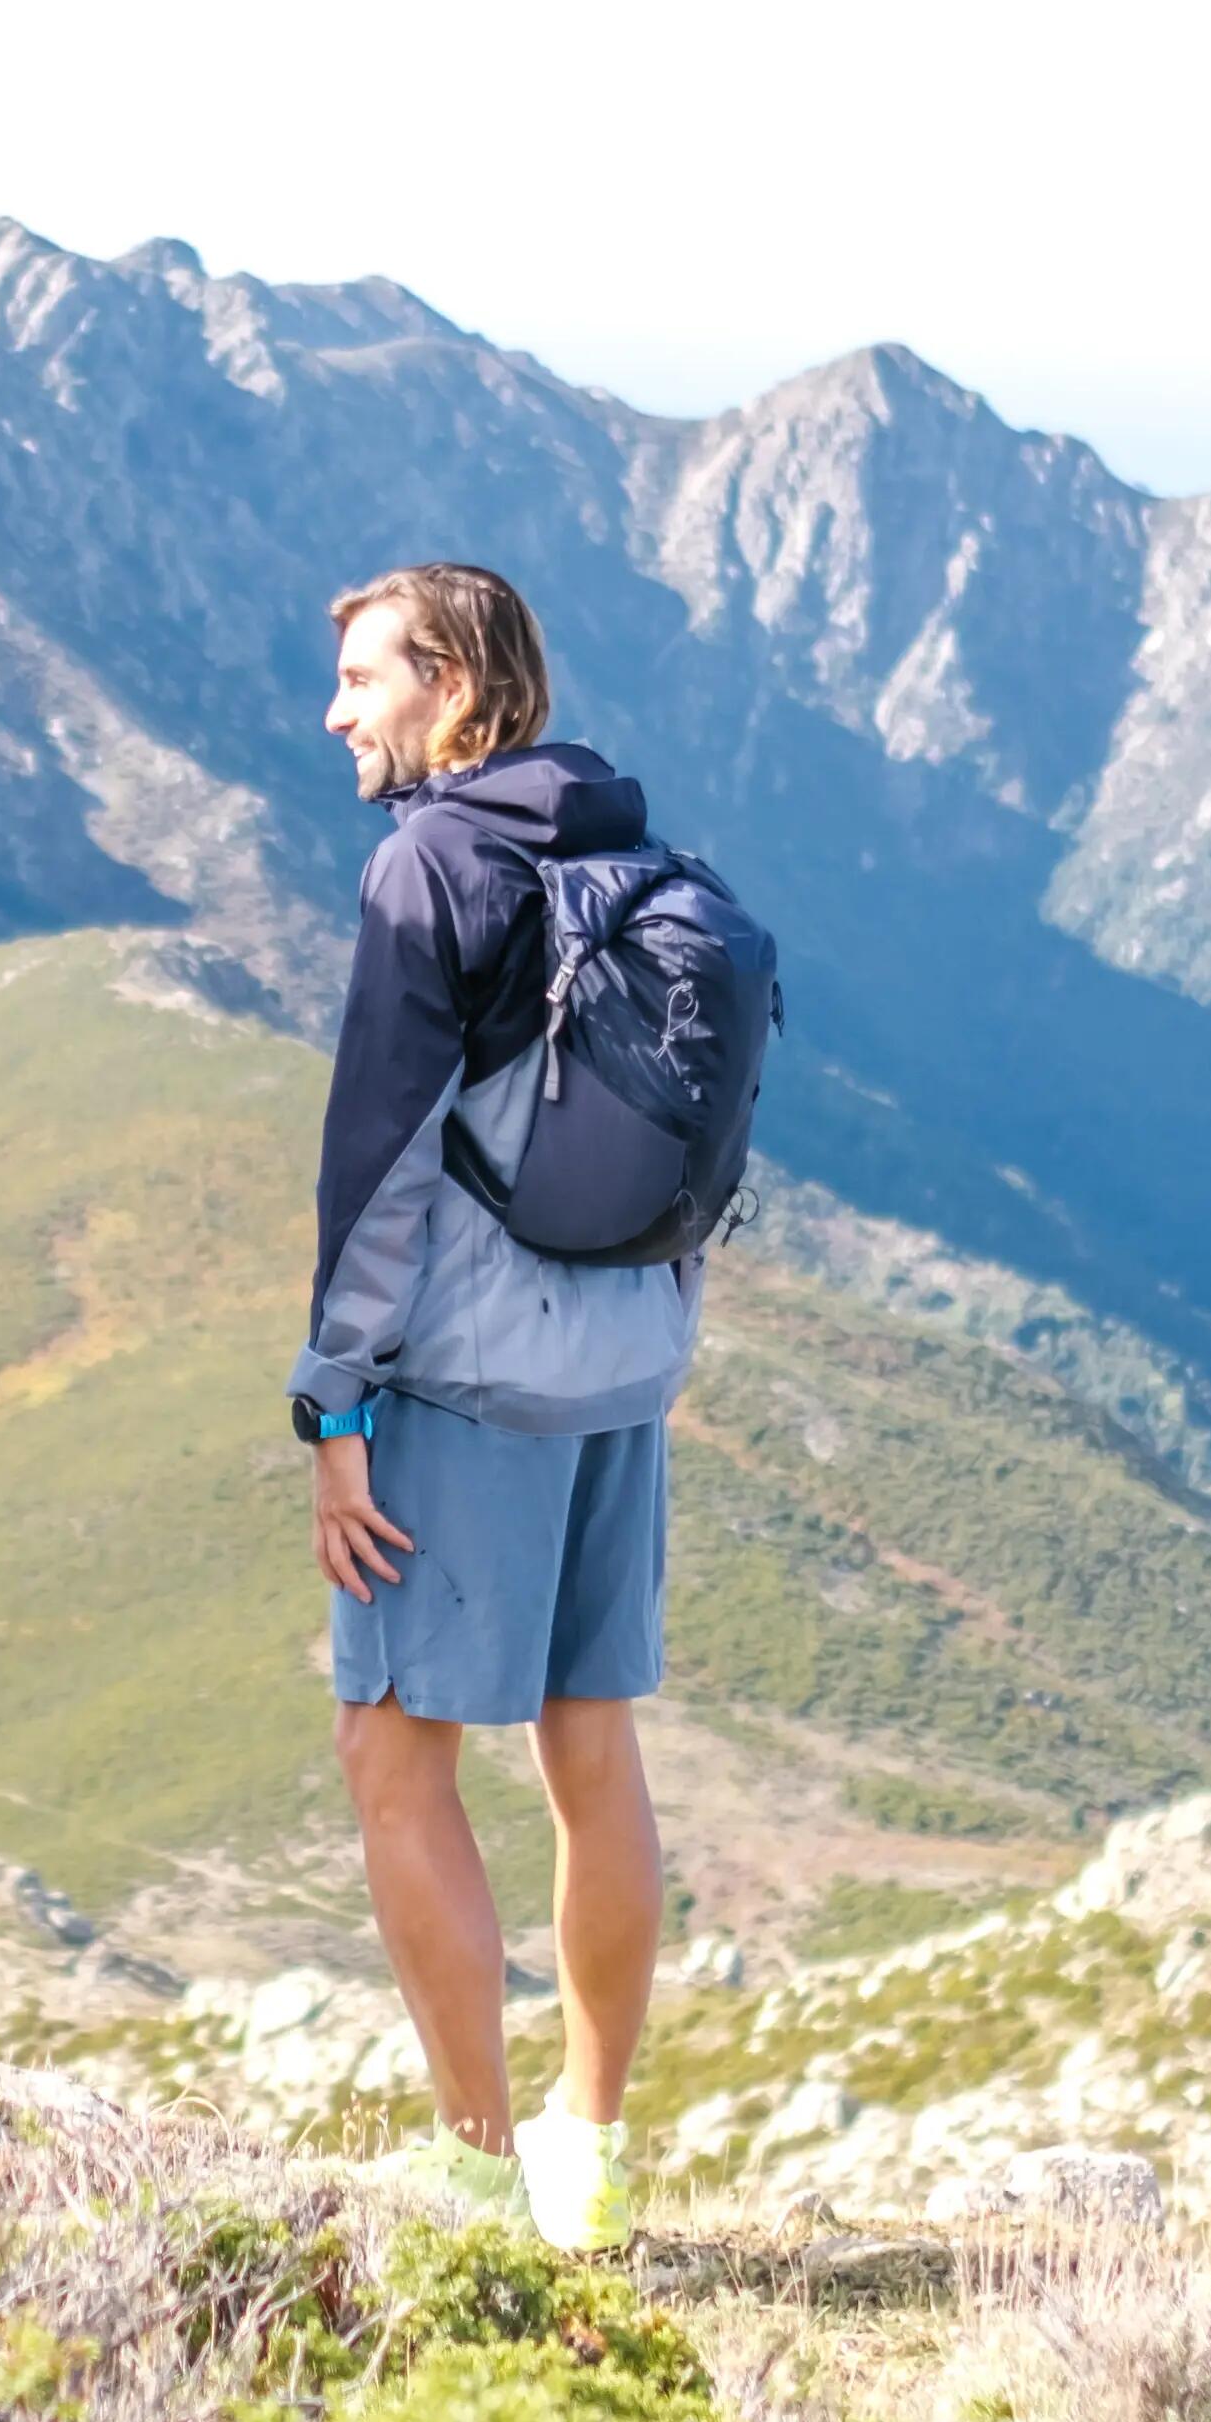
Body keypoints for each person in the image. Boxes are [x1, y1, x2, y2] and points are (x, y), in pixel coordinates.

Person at [288, 562, 701, 2250]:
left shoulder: (430, 865)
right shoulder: (631, 851)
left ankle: (473, 2171)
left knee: (393, 1753)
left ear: (455, 691)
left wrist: (332, 1414)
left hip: (468, 1379)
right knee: (591, 1747)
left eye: (367, 680)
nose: (338, 714)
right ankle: (588, 2153)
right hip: (624, 1374)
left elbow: (379, 1161)